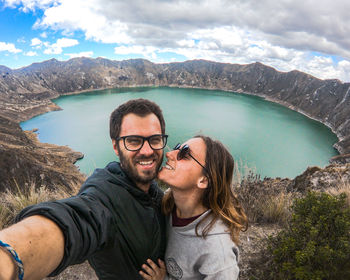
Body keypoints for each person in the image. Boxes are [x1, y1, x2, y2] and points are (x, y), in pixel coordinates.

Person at [0, 98, 167, 279]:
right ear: (116, 147)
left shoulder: (155, 193)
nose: (147, 150)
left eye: (155, 140)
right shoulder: (103, 195)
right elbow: (76, 220)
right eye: (134, 141)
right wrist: (9, 258)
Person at [139, 135, 248, 280]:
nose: (169, 153)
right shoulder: (167, 204)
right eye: (178, 147)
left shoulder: (217, 250)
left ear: (203, 180)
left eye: (184, 153)